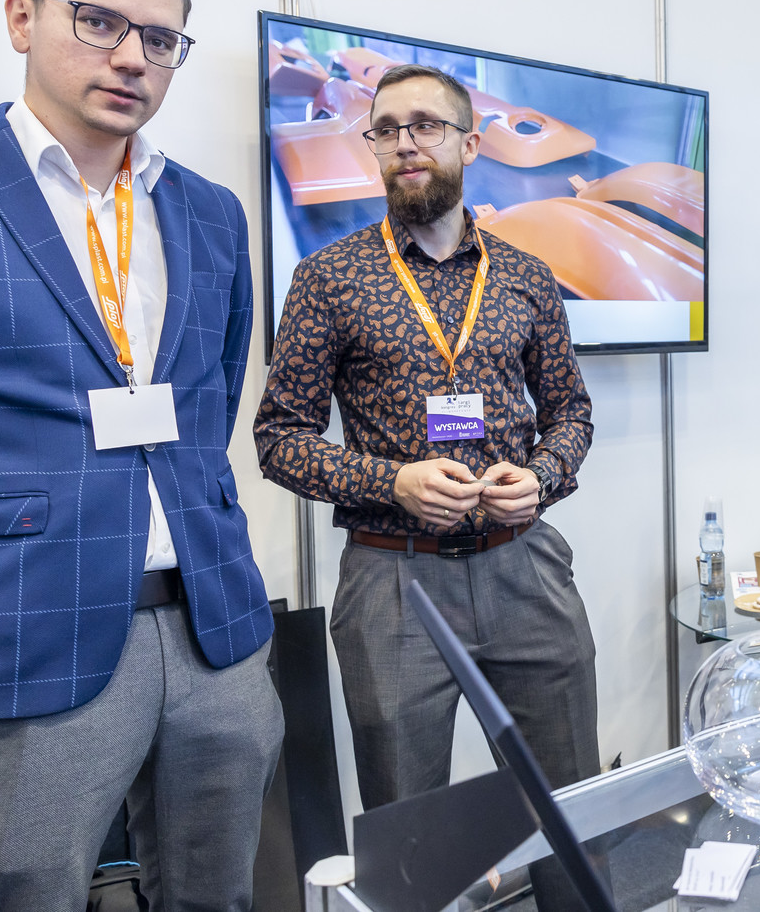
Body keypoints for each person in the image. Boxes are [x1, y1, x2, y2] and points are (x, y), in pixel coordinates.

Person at [0, 0, 282, 909]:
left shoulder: (211, 212)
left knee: (219, 893)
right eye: (97, 21)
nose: (132, 57)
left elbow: (206, 404)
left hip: (212, 629)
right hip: (21, 629)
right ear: (23, 18)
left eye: (160, 38)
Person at [253, 63, 599, 837]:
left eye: (426, 126)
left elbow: (571, 413)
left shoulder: (526, 276)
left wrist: (541, 476)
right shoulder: (327, 279)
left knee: (567, 810)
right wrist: (392, 482)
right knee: (409, 834)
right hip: (392, 586)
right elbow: (279, 439)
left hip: (524, 569)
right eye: (387, 130)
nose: (405, 144)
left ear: (471, 144)